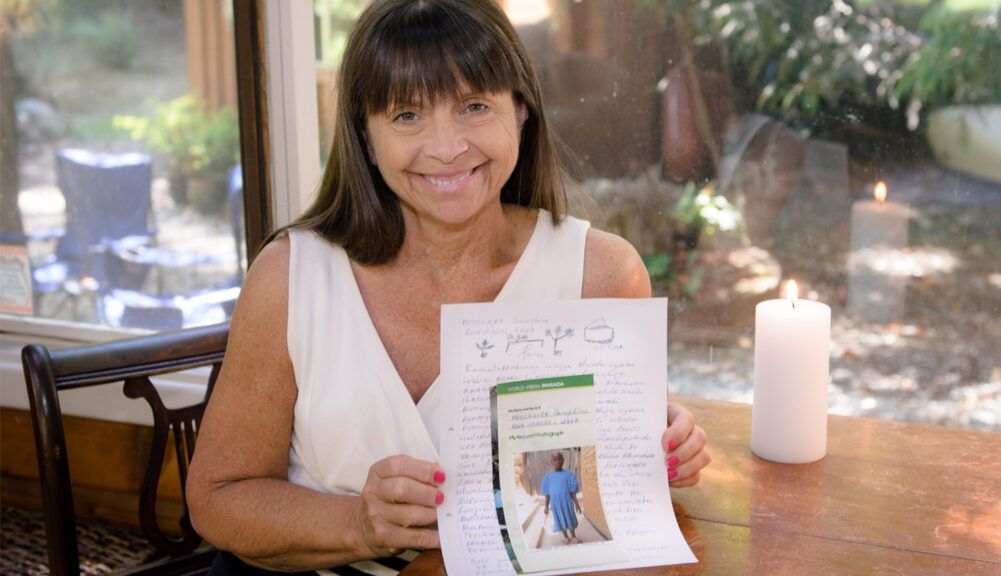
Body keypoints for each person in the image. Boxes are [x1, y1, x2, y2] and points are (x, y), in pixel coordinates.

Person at [186, 0, 711, 573]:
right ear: (365, 134)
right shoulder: (290, 277)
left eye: (474, 106)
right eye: (407, 115)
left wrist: (658, 448)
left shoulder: (602, 275)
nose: (446, 147)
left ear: (522, 111)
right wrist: (357, 525)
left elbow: (594, 502)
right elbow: (216, 498)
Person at [542, 452, 582, 545]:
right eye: (555, 460)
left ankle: (573, 537)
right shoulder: (547, 477)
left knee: (570, 517)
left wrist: (577, 504)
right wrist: (546, 506)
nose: (558, 462)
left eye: (560, 459)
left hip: (567, 502)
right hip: (555, 504)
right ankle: (566, 537)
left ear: (563, 460)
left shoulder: (569, 474)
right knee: (559, 519)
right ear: (551, 462)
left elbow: (572, 492)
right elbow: (547, 493)